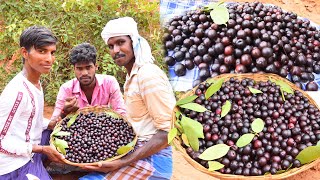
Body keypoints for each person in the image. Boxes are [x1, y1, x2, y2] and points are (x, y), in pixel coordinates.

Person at [80, 17, 176, 180]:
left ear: (133, 42)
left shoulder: (147, 74)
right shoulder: (132, 75)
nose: (115, 50)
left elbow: (168, 132)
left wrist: (122, 162)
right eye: (111, 46)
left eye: (120, 42)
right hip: (139, 151)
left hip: (154, 161)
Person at [0, 26, 65, 179]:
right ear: (25, 53)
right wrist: (42, 149)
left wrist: (48, 124)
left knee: (60, 131)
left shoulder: (35, 82)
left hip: (29, 147)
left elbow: (28, 117)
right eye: (42, 51)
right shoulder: (18, 92)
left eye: (52, 52)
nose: (49, 59)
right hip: (14, 164)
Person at [51, 42, 126, 120]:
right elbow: (54, 123)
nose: (84, 73)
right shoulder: (66, 89)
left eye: (88, 67)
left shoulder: (109, 83)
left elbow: (121, 113)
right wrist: (64, 112)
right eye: (79, 68)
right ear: (74, 69)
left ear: (96, 66)